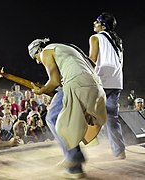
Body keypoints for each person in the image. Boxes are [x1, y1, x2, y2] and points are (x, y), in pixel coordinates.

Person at [28, 38, 107, 178]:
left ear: (38, 50)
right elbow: (91, 64)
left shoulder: (46, 52)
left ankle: (74, 157)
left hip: (77, 83)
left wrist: (41, 91)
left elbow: (54, 81)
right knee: (70, 121)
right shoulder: (69, 47)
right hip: (97, 87)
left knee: (52, 118)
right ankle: (75, 169)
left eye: (35, 57)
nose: (38, 61)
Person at [88, 12, 126, 159]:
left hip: (101, 81)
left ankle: (85, 143)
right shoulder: (118, 41)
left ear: (103, 25)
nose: (94, 23)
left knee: (85, 110)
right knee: (112, 117)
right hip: (116, 82)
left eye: (96, 21)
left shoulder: (95, 38)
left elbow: (92, 60)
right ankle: (119, 151)